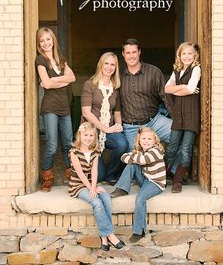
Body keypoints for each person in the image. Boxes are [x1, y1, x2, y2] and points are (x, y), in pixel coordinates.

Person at [68, 122, 125, 250]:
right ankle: (110, 235)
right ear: (80, 135)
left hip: (91, 184)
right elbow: (81, 174)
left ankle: (104, 237)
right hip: (78, 186)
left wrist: (94, 186)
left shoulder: (95, 152)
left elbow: (94, 171)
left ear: (95, 137)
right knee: (97, 203)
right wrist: (91, 189)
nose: (88, 138)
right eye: (85, 135)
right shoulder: (74, 152)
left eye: (91, 135)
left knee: (105, 197)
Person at [35, 27, 76, 192]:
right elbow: (47, 84)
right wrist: (61, 80)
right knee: (52, 144)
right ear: (39, 44)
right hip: (50, 107)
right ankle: (47, 176)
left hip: (64, 107)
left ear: (53, 40)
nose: (46, 43)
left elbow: (72, 78)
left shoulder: (61, 60)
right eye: (42, 40)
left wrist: (55, 79)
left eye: (48, 39)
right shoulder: (40, 60)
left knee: (68, 143)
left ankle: (72, 175)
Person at [111, 127, 166, 243]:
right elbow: (123, 157)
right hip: (146, 179)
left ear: (154, 141)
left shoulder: (156, 151)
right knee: (132, 165)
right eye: (143, 138)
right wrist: (134, 158)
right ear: (139, 140)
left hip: (155, 183)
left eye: (149, 139)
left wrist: (132, 158)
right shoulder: (140, 151)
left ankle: (139, 231)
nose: (146, 141)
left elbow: (143, 160)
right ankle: (122, 189)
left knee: (140, 199)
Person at [81, 52, 128, 184]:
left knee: (122, 144)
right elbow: (86, 113)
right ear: (100, 65)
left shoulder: (115, 88)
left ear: (116, 67)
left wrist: (118, 125)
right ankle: (102, 172)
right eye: (106, 63)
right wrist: (106, 129)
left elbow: (117, 112)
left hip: (109, 129)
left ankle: (111, 173)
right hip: (92, 132)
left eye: (112, 64)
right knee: (99, 176)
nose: (109, 67)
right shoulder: (89, 84)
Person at [120, 38, 173, 151]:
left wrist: (177, 119)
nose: (131, 56)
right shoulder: (118, 77)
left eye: (134, 52)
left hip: (154, 121)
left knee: (177, 134)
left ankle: (172, 168)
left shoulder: (153, 72)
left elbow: (166, 97)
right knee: (136, 159)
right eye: (128, 53)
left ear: (139, 52)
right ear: (123, 54)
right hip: (131, 128)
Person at [164, 42, 201, 193]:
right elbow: (166, 89)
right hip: (178, 115)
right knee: (172, 148)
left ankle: (177, 180)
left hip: (191, 114)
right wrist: (182, 88)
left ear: (194, 56)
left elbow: (192, 88)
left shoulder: (196, 69)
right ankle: (162, 175)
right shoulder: (177, 71)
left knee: (186, 149)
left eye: (189, 54)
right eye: (183, 54)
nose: (186, 56)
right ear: (179, 56)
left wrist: (177, 89)